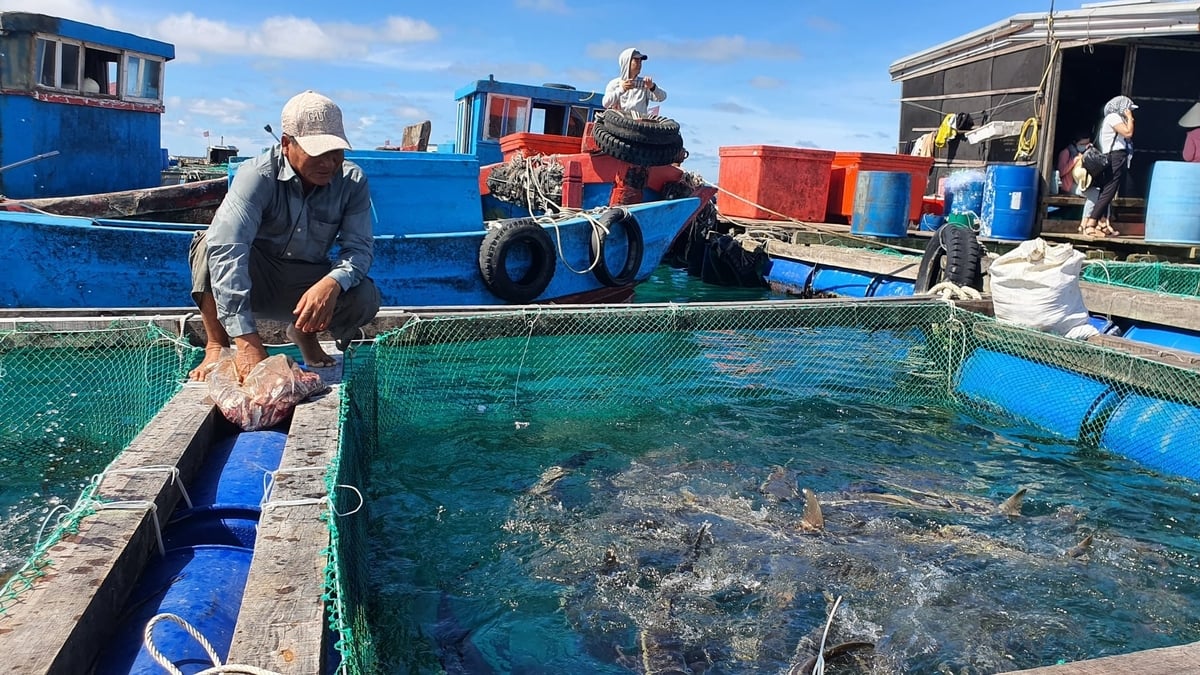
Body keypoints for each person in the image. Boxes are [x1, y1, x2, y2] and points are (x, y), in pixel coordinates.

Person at [187, 90, 380, 381]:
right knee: (207, 245)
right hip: (256, 278)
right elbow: (230, 249)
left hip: (303, 282)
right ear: (287, 144)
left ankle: (304, 334)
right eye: (318, 153)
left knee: (364, 295)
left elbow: (360, 249)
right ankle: (217, 343)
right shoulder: (256, 175)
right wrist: (248, 343)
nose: (329, 163)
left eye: (336, 152)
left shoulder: (352, 181)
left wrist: (331, 283)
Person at [1082, 95, 1136, 238]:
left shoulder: (1110, 119)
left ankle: (1102, 224)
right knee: (1109, 191)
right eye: (1128, 109)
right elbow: (1128, 133)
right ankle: (1091, 223)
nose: (1130, 111)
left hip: (1113, 156)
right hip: (1115, 156)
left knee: (1107, 190)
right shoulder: (1113, 117)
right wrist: (1130, 118)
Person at [602, 47, 667, 116]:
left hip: (639, 124)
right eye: (636, 60)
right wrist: (621, 89)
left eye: (640, 61)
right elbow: (605, 103)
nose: (639, 64)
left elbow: (662, 97)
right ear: (627, 62)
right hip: (619, 123)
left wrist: (652, 87)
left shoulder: (644, 83)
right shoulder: (615, 84)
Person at [1055, 132, 1100, 230]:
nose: (1084, 146)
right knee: (1094, 194)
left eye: (1087, 144)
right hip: (1069, 185)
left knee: (1099, 193)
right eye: (1082, 144)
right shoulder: (1066, 152)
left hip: (1081, 182)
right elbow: (1061, 171)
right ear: (1076, 143)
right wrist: (1074, 161)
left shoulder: (1085, 153)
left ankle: (1099, 221)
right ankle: (1086, 221)